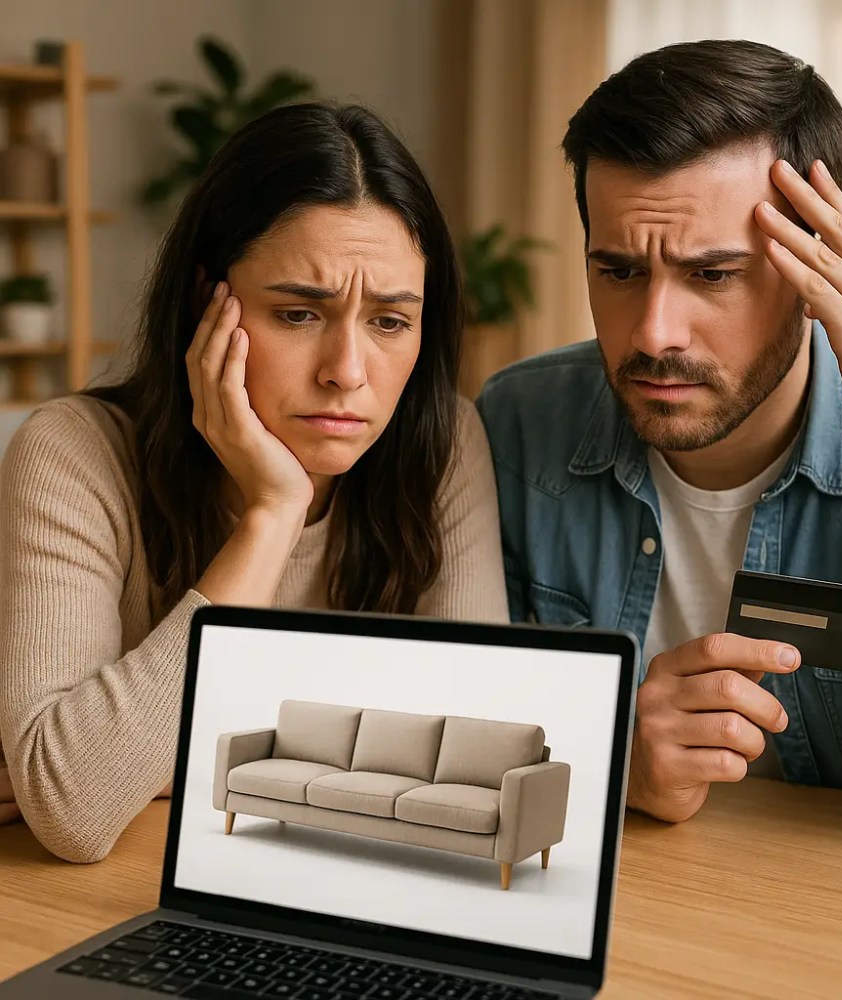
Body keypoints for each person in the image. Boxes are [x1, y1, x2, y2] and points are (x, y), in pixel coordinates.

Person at [476, 40, 842, 823]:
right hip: (636, 884)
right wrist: (615, 765)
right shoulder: (518, 425)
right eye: (619, 271)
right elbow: (474, 738)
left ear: (818, 263)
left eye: (712, 274)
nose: (655, 333)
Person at [0, 102, 509, 862]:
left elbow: (473, 754)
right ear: (207, 299)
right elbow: (74, 809)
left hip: (341, 881)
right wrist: (273, 512)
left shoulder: (442, 445)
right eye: (299, 314)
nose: (347, 371)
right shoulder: (74, 452)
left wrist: (166, 760)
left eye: (389, 321)